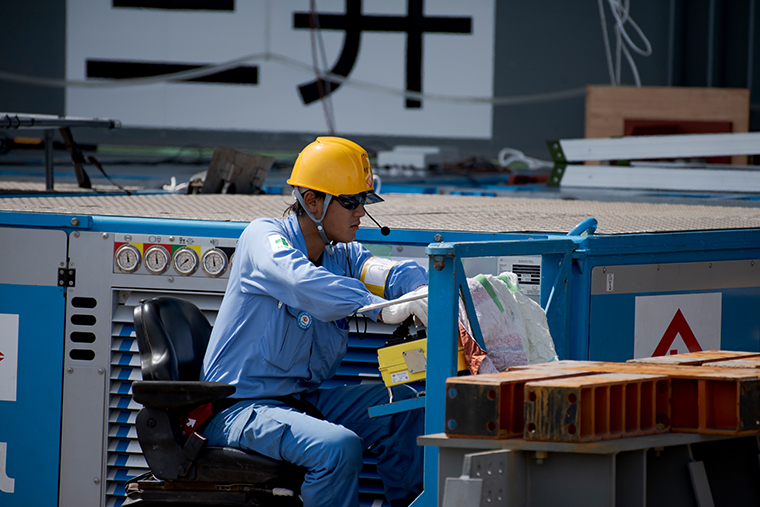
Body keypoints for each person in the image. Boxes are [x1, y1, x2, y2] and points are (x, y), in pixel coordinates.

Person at [201, 136, 429, 507]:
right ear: (312, 201)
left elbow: (386, 271)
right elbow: (301, 281)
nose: (361, 214)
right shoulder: (263, 238)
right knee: (337, 447)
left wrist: (420, 292)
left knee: (406, 407)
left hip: (299, 402)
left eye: (365, 202)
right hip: (240, 408)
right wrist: (379, 308)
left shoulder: (343, 254)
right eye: (352, 202)